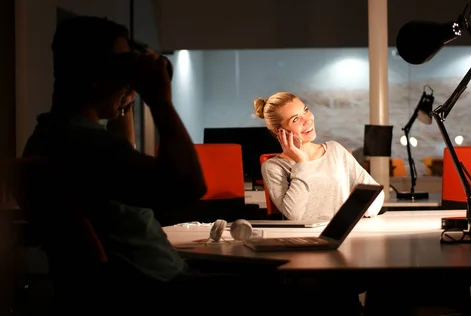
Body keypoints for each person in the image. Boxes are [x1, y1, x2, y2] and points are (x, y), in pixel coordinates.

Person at [21, 16, 362, 316]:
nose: (129, 77)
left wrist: (123, 103)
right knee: (323, 293)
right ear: (95, 75)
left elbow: (120, 155)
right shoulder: (89, 147)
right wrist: (159, 99)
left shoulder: (53, 138)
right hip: (162, 292)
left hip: (140, 285)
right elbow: (187, 187)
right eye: (121, 66)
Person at [254, 92, 385, 220]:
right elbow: (294, 215)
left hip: (342, 234)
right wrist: (302, 163)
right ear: (279, 131)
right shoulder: (273, 167)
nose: (307, 120)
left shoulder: (335, 151)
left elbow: (375, 193)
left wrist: (357, 211)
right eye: (295, 119)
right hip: (304, 239)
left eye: (305, 110)